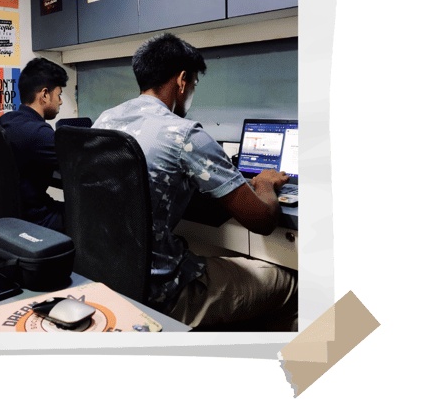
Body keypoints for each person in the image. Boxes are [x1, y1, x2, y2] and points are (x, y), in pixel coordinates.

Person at [93, 33, 297, 330]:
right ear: (182, 80)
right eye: (194, 84)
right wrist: (265, 183)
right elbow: (262, 220)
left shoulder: (105, 120)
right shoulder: (184, 134)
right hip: (162, 292)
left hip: (108, 278)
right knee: (292, 282)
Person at [0, 57, 68, 233]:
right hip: (38, 220)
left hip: (11, 218)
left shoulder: (5, 120)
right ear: (44, 95)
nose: (60, 101)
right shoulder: (39, 133)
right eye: (58, 95)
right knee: (97, 215)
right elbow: (81, 165)